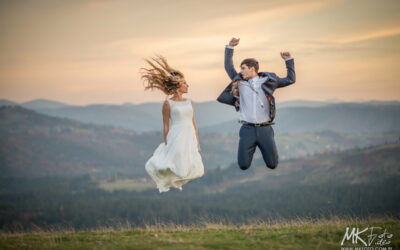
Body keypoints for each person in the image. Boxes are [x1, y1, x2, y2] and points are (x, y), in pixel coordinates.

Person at [217, 38, 296, 170]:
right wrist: (230, 47)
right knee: (243, 165)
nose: (240, 71)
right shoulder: (240, 82)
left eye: (243, 68)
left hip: (265, 129)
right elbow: (228, 66)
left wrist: (289, 61)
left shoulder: (268, 80)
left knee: (272, 164)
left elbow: (290, 79)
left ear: (252, 69)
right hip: (247, 129)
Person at [140, 55, 204, 193]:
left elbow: (194, 124)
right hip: (176, 135)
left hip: (189, 135)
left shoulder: (190, 102)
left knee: (189, 163)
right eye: (185, 83)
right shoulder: (168, 103)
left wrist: (197, 142)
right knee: (175, 161)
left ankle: (179, 181)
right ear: (177, 86)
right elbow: (165, 125)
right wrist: (167, 142)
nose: (188, 85)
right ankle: (171, 180)